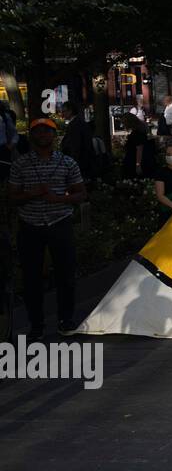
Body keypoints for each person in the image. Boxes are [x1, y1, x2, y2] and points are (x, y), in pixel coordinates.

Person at [7, 117, 87, 337]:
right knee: (31, 277)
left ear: (54, 135)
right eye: (38, 132)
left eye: (47, 131)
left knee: (66, 274)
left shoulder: (67, 163)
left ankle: (66, 320)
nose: (43, 135)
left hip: (59, 223)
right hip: (30, 225)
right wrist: (32, 194)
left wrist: (59, 199)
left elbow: (81, 193)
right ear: (32, 136)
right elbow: (12, 198)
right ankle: (36, 325)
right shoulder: (20, 164)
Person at [120, 111, 157, 180]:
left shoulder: (136, 134)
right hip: (140, 160)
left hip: (134, 161)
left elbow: (139, 149)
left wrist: (138, 164)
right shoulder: (141, 131)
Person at [0, 99, 18, 184]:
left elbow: (14, 133)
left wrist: (11, 146)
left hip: (3, 151)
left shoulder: (4, 116)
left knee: (3, 177)